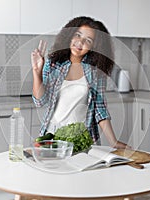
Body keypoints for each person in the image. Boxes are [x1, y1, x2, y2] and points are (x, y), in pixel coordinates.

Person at [31, 16, 127, 149]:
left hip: (83, 140)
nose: (80, 42)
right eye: (78, 35)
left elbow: (100, 108)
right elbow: (40, 101)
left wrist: (113, 141)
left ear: (94, 47)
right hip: (52, 138)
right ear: (70, 35)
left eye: (88, 40)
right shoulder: (53, 63)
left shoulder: (95, 71)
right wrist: (37, 72)